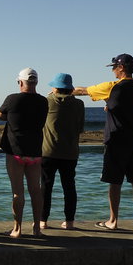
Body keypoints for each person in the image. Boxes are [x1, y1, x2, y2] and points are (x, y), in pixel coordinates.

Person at [73, 54, 133, 231]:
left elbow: (82, 91)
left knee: (115, 181)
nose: (113, 71)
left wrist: (60, 91)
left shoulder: (112, 87)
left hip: (117, 139)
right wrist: (111, 104)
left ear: (121, 68)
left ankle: (113, 221)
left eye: (114, 67)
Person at [0, 68, 49, 238]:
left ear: (20, 82)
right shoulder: (43, 101)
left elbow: (0, 114)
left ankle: (17, 229)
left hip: (15, 151)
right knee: (36, 190)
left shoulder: (12, 99)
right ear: (36, 82)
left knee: (17, 192)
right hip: (35, 151)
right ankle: (36, 229)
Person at [41, 73, 86, 230]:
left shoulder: (46, 102)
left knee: (46, 187)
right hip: (70, 152)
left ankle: (42, 221)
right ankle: (69, 222)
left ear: (55, 88)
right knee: (69, 187)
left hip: (48, 152)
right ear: (70, 88)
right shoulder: (79, 104)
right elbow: (80, 128)